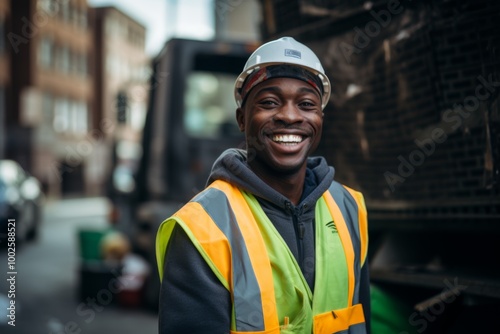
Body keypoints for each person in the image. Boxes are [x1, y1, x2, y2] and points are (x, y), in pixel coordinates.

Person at [156, 36, 370, 334]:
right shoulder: (201, 228)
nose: (289, 116)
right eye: (269, 102)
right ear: (242, 119)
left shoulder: (348, 208)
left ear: (320, 118)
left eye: (307, 104)